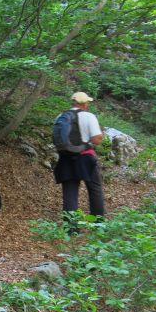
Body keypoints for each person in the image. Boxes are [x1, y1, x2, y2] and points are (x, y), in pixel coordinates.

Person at [54, 92, 105, 223]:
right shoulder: (89, 116)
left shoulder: (60, 116)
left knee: (69, 193)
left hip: (65, 158)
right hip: (85, 157)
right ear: (84, 103)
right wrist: (100, 133)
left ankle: (71, 229)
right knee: (94, 189)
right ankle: (98, 224)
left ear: (73, 102)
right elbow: (97, 140)